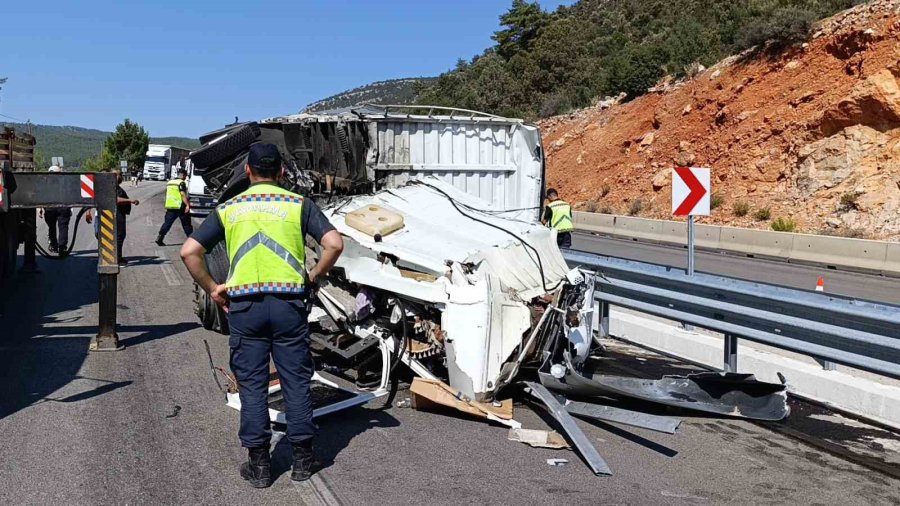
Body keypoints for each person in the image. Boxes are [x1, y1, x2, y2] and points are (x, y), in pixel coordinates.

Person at [181, 143, 344, 488]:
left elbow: (189, 251)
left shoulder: (230, 208)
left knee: (253, 385)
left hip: (245, 307)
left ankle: (259, 466)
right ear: (282, 172)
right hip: (288, 305)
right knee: (296, 380)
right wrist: (313, 276)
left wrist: (213, 287)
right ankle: (302, 459)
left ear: (247, 172)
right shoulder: (299, 205)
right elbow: (334, 244)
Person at [39, 166, 72, 256]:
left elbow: (42, 196)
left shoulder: (45, 184)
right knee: (63, 227)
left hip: (50, 208)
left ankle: (54, 245)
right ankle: (62, 247)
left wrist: (41, 208)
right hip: (63, 207)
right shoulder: (65, 182)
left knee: (52, 227)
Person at [155, 169, 193, 246]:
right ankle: (191, 241)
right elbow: (182, 194)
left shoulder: (170, 182)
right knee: (186, 224)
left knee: (167, 223)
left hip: (170, 206)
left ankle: (160, 237)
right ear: (183, 175)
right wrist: (187, 205)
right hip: (180, 206)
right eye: (185, 176)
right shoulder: (181, 183)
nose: (186, 177)